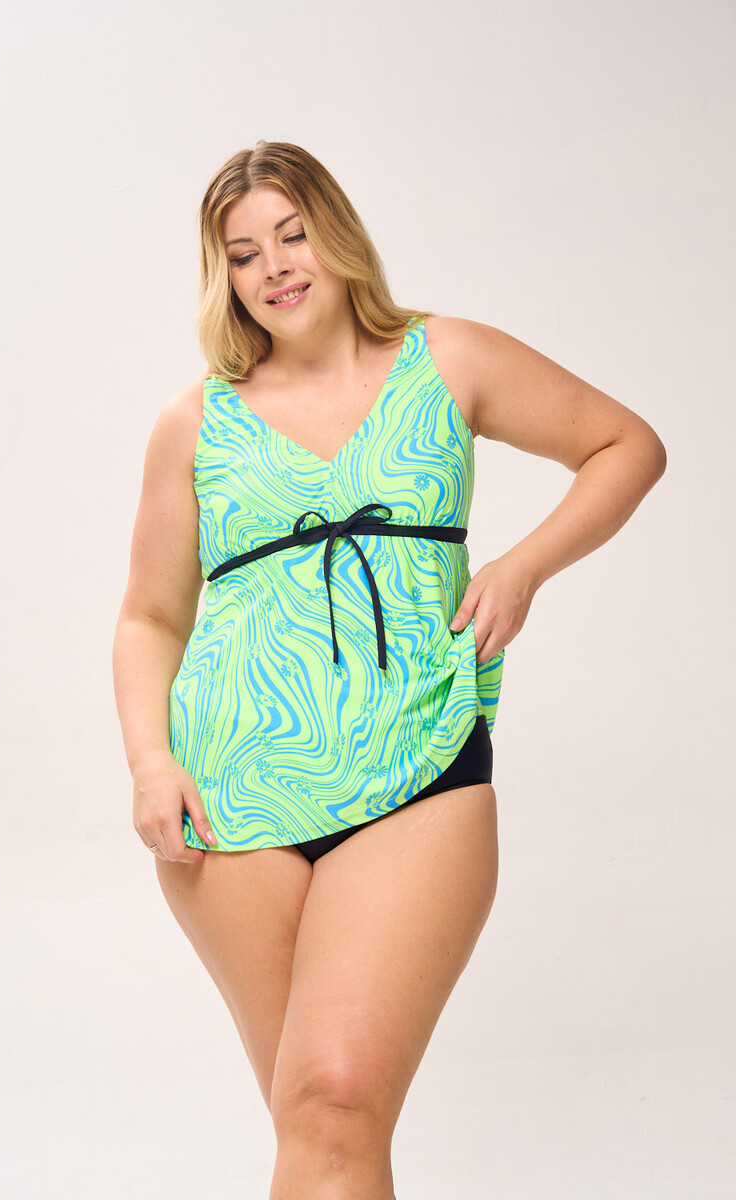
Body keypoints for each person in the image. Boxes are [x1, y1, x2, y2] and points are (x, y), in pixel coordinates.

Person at [112, 139, 666, 1199]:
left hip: (418, 764)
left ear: (336, 231)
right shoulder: (192, 424)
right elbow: (148, 617)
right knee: (322, 1130)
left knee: (334, 1101)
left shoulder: (445, 357)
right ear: (221, 275)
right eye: (242, 254)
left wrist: (520, 569)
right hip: (231, 796)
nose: (274, 268)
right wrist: (150, 763)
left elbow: (624, 445)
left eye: (291, 235)